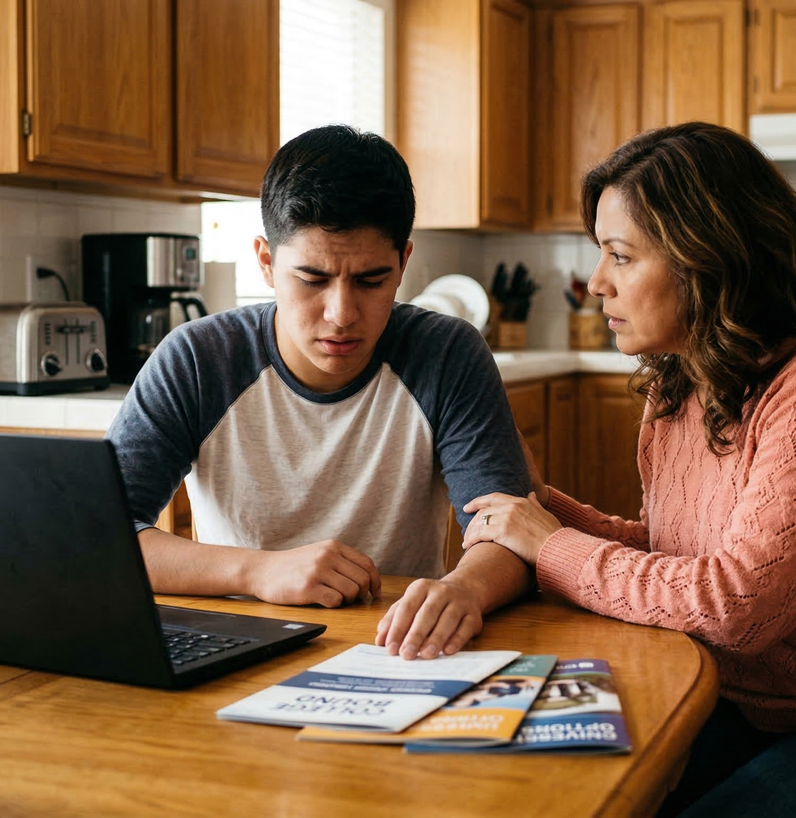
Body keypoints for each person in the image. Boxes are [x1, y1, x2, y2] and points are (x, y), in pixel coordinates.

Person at [460, 123, 796, 818]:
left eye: (621, 257)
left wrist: (549, 546)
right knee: (562, 788)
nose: (597, 283)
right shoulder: (685, 380)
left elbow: (736, 606)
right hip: (756, 712)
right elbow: (683, 559)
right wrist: (544, 510)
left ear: (707, 258)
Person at [106, 124, 535, 661]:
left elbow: (509, 532)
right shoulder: (197, 359)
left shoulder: (446, 353)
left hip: (395, 648)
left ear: (404, 262)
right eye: (311, 279)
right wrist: (259, 570)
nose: (341, 315)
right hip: (234, 642)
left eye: (372, 281)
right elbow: (102, 540)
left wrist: (465, 588)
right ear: (266, 261)